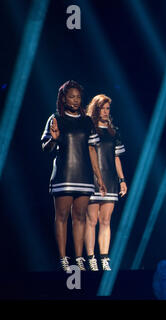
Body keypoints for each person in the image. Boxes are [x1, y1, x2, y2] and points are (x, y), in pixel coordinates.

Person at [41, 80, 106, 271]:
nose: (76, 100)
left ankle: (79, 259)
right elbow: (46, 148)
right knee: (61, 216)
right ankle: (63, 258)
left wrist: (99, 178)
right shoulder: (56, 119)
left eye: (78, 97)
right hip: (63, 174)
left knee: (80, 217)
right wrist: (53, 139)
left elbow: (92, 150)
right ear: (63, 98)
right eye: (72, 97)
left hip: (84, 175)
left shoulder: (87, 121)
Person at [84, 94, 127, 271]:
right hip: (91, 179)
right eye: (102, 107)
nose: (105, 111)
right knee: (91, 220)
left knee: (106, 220)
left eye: (108, 108)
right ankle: (91, 258)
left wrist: (122, 180)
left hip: (110, 179)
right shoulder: (88, 129)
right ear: (95, 109)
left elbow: (116, 157)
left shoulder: (113, 131)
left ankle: (104, 258)